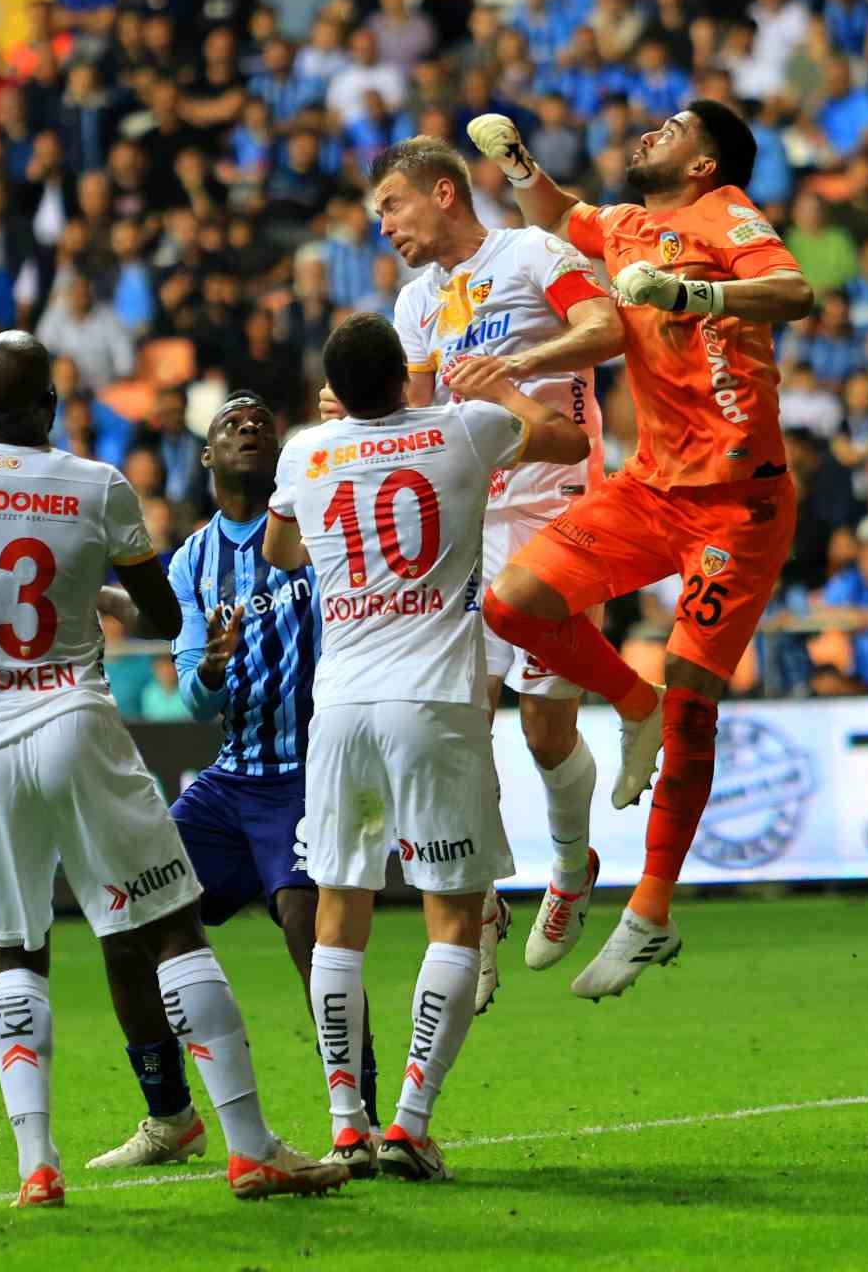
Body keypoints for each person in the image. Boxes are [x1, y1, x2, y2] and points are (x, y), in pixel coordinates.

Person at [0, 332, 347, 1207]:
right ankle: (251, 1147)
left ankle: (36, 1167)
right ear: (49, 403)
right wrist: (94, 584)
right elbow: (163, 611)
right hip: (73, 718)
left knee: (16, 950)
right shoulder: (95, 485)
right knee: (169, 928)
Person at [468, 100, 814, 998]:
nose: (652, 130)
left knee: (698, 699)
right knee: (512, 602)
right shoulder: (622, 225)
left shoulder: (725, 213)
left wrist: (695, 294)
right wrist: (514, 163)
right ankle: (632, 703)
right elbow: (556, 212)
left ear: (705, 164)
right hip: (648, 488)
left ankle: (648, 916)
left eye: (675, 126)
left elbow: (793, 293)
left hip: (737, 507)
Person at [263, 312, 590, 1180]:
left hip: (339, 709)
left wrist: (337, 443)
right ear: (408, 379)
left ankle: (344, 1122)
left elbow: (281, 549)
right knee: (452, 914)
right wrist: (505, 389)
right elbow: (564, 440)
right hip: (436, 704)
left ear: (336, 390)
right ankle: (408, 1122)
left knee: (339, 911)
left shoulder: (305, 450)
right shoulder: (463, 429)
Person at [355, 137, 621, 1004]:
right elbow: (422, 413)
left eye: (392, 206)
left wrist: (520, 367)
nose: (385, 226)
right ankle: (479, 915)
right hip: (467, 530)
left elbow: (605, 327)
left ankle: (572, 867)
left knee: (546, 735)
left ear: (442, 190)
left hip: (558, 510)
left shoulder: (533, 252)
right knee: (456, 733)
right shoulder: (414, 304)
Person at [89, 391, 381, 1174]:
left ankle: (363, 1121)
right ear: (209, 458)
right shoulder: (189, 561)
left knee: (306, 928)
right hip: (231, 779)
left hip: (311, 771)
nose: (251, 427)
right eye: (232, 425)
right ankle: (169, 1116)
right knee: (125, 916)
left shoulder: (319, 527)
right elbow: (192, 698)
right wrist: (212, 669)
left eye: (263, 421)